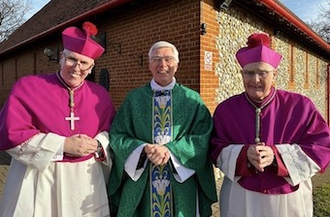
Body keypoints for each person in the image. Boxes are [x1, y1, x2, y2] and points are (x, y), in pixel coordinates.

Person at [0, 21, 116, 216]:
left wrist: (98, 144)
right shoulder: (28, 87)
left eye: (84, 62)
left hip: (85, 180)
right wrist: (63, 145)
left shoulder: (100, 95)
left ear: (91, 66)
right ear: (62, 57)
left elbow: (113, 132)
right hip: (40, 178)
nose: (77, 67)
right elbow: (11, 134)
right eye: (72, 59)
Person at [210, 32, 330, 217]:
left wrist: (277, 155)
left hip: (289, 200)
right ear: (242, 74)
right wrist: (243, 154)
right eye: (249, 72)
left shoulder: (301, 106)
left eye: (262, 72)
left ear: (274, 74)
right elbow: (215, 147)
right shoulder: (226, 110)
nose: (255, 79)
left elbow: (321, 147)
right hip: (241, 198)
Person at [108, 41, 217, 216]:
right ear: (149, 64)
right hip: (142, 179)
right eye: (156, 59)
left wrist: (170, 151)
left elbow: (203, 137)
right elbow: (117, 135)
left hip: (180, 181)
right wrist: (142, 150)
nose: (162, 65)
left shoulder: (192, 99)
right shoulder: (134, 98)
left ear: (177, 64)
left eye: (168, 59)